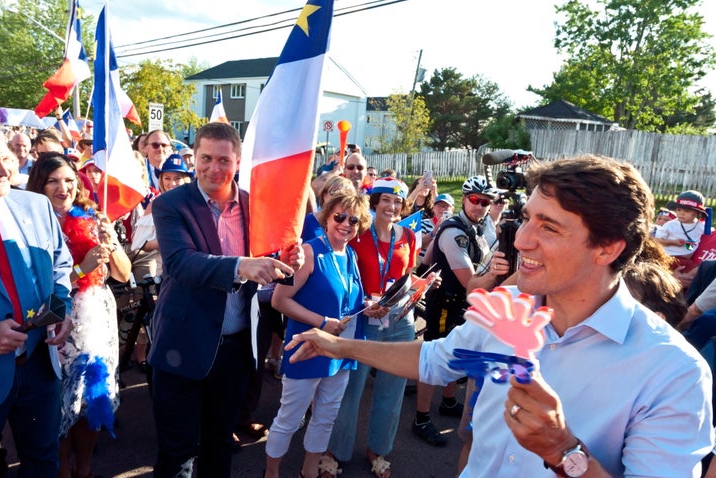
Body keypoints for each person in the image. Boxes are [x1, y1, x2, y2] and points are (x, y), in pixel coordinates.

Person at [287, 155, 714, 477]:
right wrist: (339, 344)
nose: (522, 240)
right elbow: (435, 360)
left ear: (608, 248)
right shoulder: (505, 312)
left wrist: (565, 451)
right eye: (526, 219)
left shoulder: (673, 372)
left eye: (549, 227)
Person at [148, 122, 304, 478]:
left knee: (220, 445)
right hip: (182, 347)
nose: (213, 169)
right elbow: (180, 263)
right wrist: (243, 265)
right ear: (194, 158)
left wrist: (288, 264)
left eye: (223, 160)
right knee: (177, 453)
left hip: (234, 351)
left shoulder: (255, 205)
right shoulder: (171, 204)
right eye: (205, 158)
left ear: (237, 162)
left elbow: (274, 263)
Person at [26, 152, 131, 478]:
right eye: (53, 181)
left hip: (96, 317)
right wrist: (79, 270)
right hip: (52, 317)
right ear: (39, 185)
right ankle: (61, 471)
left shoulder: (91, 215)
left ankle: (84, 469)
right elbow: (32, 284)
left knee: (91, 395)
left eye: (69, 180)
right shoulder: (29, 223)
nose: (63, 188)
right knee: (57, 402)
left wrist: (111, 243)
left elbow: (124, 275)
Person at [325, 178, 430, 478]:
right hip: (364, 317)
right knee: (351, 390)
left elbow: (406, 277)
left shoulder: (408, 236)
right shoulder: (358, 235)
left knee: (392, 391)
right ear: (375, 202)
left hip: (399, 320)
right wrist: (364, 302)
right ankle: (336, 451)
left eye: (398, 202)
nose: (393, 207)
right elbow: (345, 273)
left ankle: (378, 449)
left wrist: (421, 287)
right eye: (386, 200)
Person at [265, 193, 370, 478]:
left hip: (340, 351)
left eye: (353, 220)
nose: (346, 224)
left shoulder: (350, 254)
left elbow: (347, 300)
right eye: (339, 216)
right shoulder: (310, 252)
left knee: (325, 418)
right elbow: (279, 300)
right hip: (307, 349)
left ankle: (309, 471)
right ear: (326, 217)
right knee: (289, 418)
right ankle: (271, 473)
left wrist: (368, 306)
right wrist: (322, 322)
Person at [0, 141, 73, 477]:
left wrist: (60, 309)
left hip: (40, 362)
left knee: (43, 462)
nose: (1, 170)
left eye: (5, 159)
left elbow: (60, 268)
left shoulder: (36, 205)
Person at [413, 175, 505, 447]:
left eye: (485, 202)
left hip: (460, 304)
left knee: (460, 352)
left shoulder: (475, 228)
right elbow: (471, 280)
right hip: (444, 301)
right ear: (464, 200)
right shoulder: (455, 232)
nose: (479, 206)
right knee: (432, 358)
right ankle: (420, 417)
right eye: (475, 200)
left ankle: (449, 401)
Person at [655, 190, 708, 271]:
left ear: (697, 213)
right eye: (679, 210)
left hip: (688, 260)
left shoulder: (701, 226)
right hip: (669, 257)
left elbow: (709, 235)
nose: (681, 213)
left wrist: (688, 245)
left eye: (687, 211)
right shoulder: (670, 225)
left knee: (699, 272)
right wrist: (673, 242)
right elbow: (657, 240)